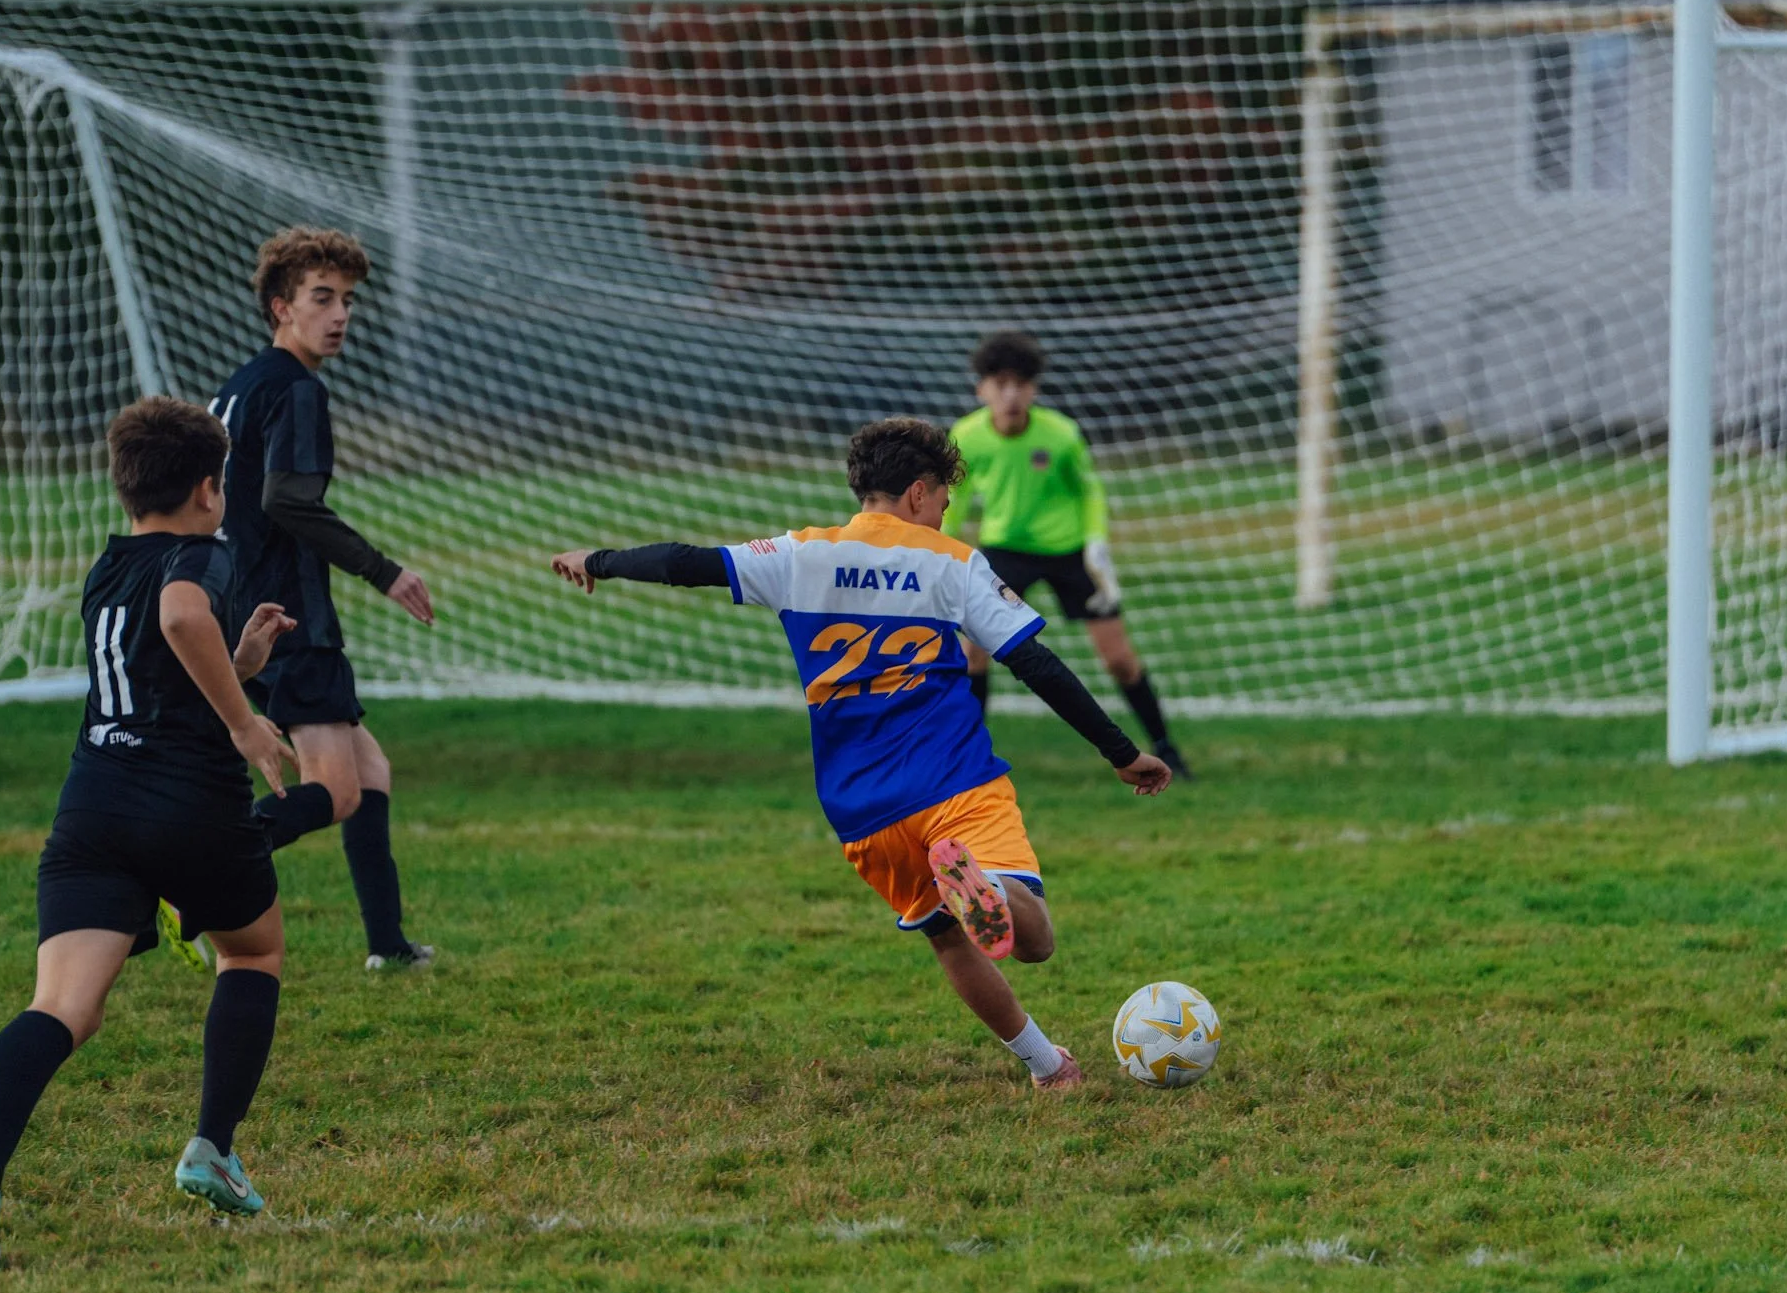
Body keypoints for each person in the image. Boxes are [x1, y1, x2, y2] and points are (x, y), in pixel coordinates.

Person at [550, 417, 1171, 1088]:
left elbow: (683, 562)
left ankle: (1048, 1067)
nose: (942, 516)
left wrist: (601, 560)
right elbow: (1036, 664)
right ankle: (988, 886)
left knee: (946, 936)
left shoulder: (798, 554)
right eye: (941, 502)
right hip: (952, 775)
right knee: (1037, 940)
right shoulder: (952, 562)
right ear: (915, 493)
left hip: (862, 806)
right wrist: (1121, 751)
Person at [0, 398, 300, 1267]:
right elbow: (183, 618)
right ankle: (212, 1148)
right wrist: (245, 720)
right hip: (189, 804)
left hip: (94, 806)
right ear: (209, 488)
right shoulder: (206, 552)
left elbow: (160, 661)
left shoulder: (108, 563)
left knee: (63, 1007)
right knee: (253, 951)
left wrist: (237, 669)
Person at [211, 227, 435, 970]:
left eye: (347, 300)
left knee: (371, 775)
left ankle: (389, 947)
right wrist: (386, 570)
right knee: (334, 790)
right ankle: (194, 875)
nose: (339, 314)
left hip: (244, 608)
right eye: (321, 298)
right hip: (292, 617)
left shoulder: (239, 386)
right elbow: (289, 502)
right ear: (282, 306)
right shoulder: (299, 389)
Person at [942, 330, 1190, 778]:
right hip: (1005, 550)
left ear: (1034, 388)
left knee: (1118, 658)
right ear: (981, 388)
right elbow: (954, 499)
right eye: (1000, 384)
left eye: (1021, 383)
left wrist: (1097, 543)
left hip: (1070, 553)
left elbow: (1091, 491)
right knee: (972, 652)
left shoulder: (1060, 435)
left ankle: (1165, 747)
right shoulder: (967, 436)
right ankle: (970, 759)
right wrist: (938, 545)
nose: (1011, 394)